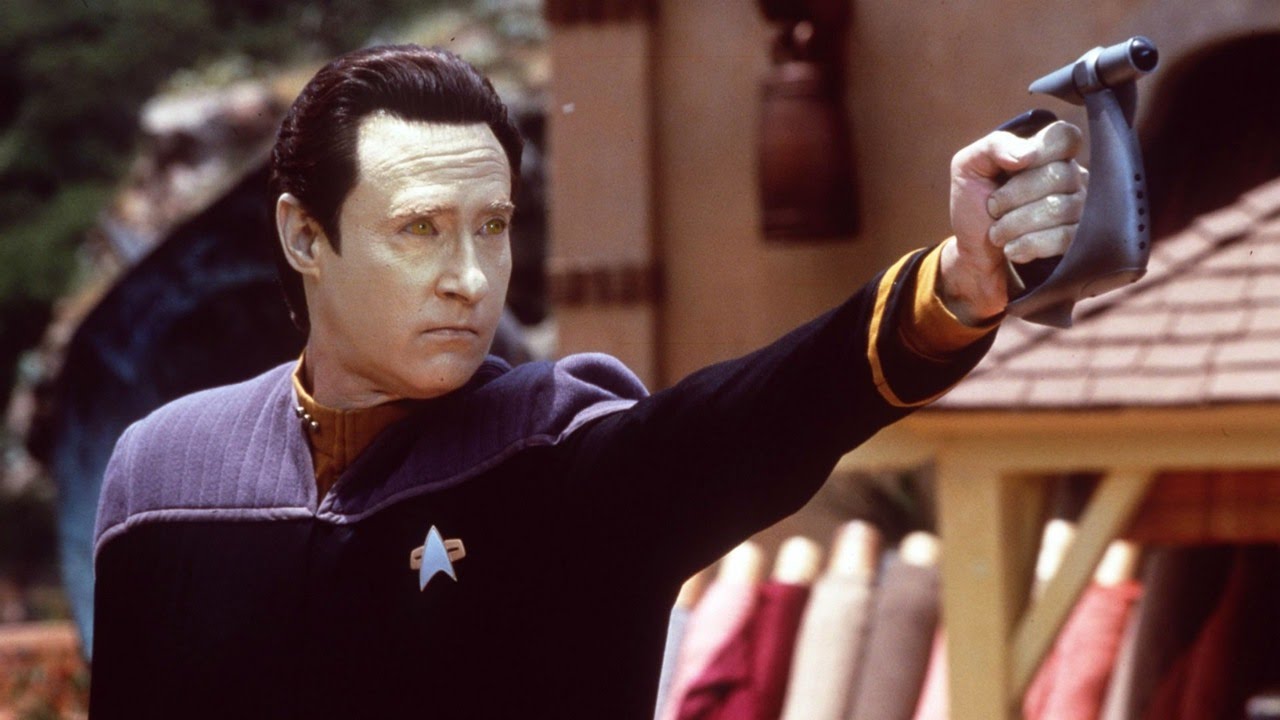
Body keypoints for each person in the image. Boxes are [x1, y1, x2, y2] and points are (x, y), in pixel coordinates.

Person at [89, 44, 1085, 718]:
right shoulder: (161, 476)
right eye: (419, 229)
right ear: (306, 237)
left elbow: (765, 412)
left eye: (492, 227)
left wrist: (955, 288)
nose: (470, 278)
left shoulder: (560, 454)